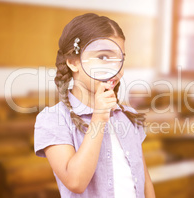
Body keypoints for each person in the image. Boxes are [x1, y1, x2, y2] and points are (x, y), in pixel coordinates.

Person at [34, 13, 155, 198]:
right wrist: (99, 117)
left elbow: (144, 180)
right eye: (104, 57)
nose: (115, 67)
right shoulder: (53, 119)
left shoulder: (128, 115)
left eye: (120, 58)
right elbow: (75, 182)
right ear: (73, 62)